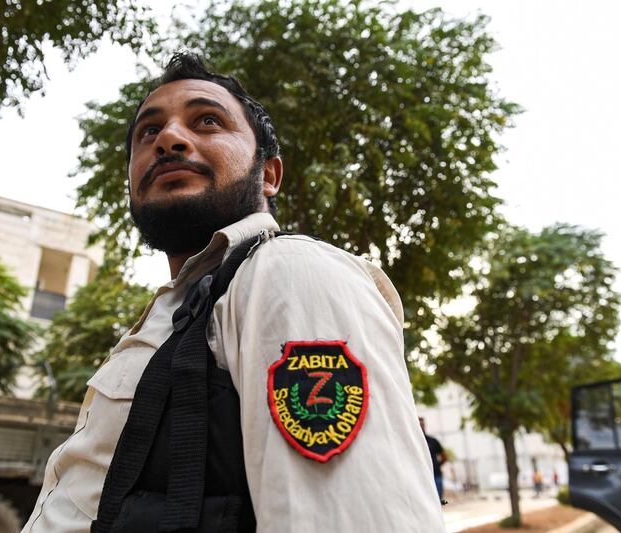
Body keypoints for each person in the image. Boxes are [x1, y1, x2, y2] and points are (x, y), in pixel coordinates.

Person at [22, 52, 444, 532]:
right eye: (148, 132)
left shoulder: (288, 271)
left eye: (207, 121)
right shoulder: (181, 308)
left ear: (268, 174)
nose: (169, 140)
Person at [418, 417, 447, 500]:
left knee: (439, 500)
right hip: (422, 476)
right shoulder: (414, 443)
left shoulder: (433, 441)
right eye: (419, 425)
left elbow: (444, 456)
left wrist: (437, 465)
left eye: (422, 424)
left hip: (436, 474)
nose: (421, 426)